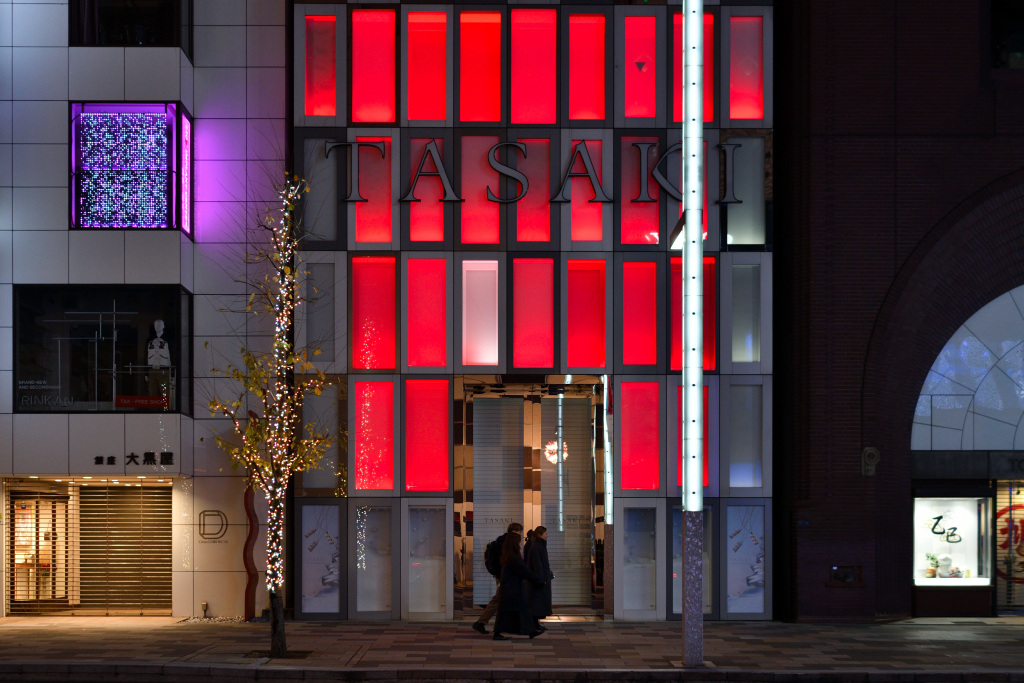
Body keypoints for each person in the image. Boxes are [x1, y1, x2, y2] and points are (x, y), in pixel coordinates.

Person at [492, 529, 544, 640]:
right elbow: (524, 571)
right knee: (516, 611)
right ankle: (529, 631)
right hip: (512, 590)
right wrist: (538, 580)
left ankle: (530, 631)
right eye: (518, 542)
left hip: (509, 589)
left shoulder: (508, 555)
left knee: (514, 611)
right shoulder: (513, 558)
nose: (520, 544)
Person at [472, 522, 522, 634]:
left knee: (499, 599)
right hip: (503, 576)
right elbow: (505, 561)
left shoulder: (502, 540)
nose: (520, 534)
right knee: (498, 600)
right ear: (514, 531)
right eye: (519, 531)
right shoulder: (507, 542)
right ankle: (482, 623)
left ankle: (483, 623)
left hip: (501, 575)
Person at [525, 525, 553, 633]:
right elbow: (538, 564)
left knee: (538, 603)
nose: (547, 535)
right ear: (540, 535)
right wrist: (542, 578)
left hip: (541, 579)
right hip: (539, 581)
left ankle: (536, 624)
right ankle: (534, 624)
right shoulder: (537, 546)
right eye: (545, 533)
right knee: (537, 603)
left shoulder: (539, 545)